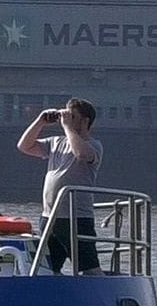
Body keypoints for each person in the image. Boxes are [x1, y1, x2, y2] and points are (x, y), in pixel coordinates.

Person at [17, 97, 102, 273]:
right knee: (48, 268)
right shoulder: (56, 142)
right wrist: (40, 122)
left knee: (89, 268)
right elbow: (24, 146)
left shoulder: (94, 145)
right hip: (50, 217)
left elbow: (81, 154)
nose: (65, 118)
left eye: (72, 116)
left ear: (85, 121)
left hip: (76, 218)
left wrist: (67, 127)